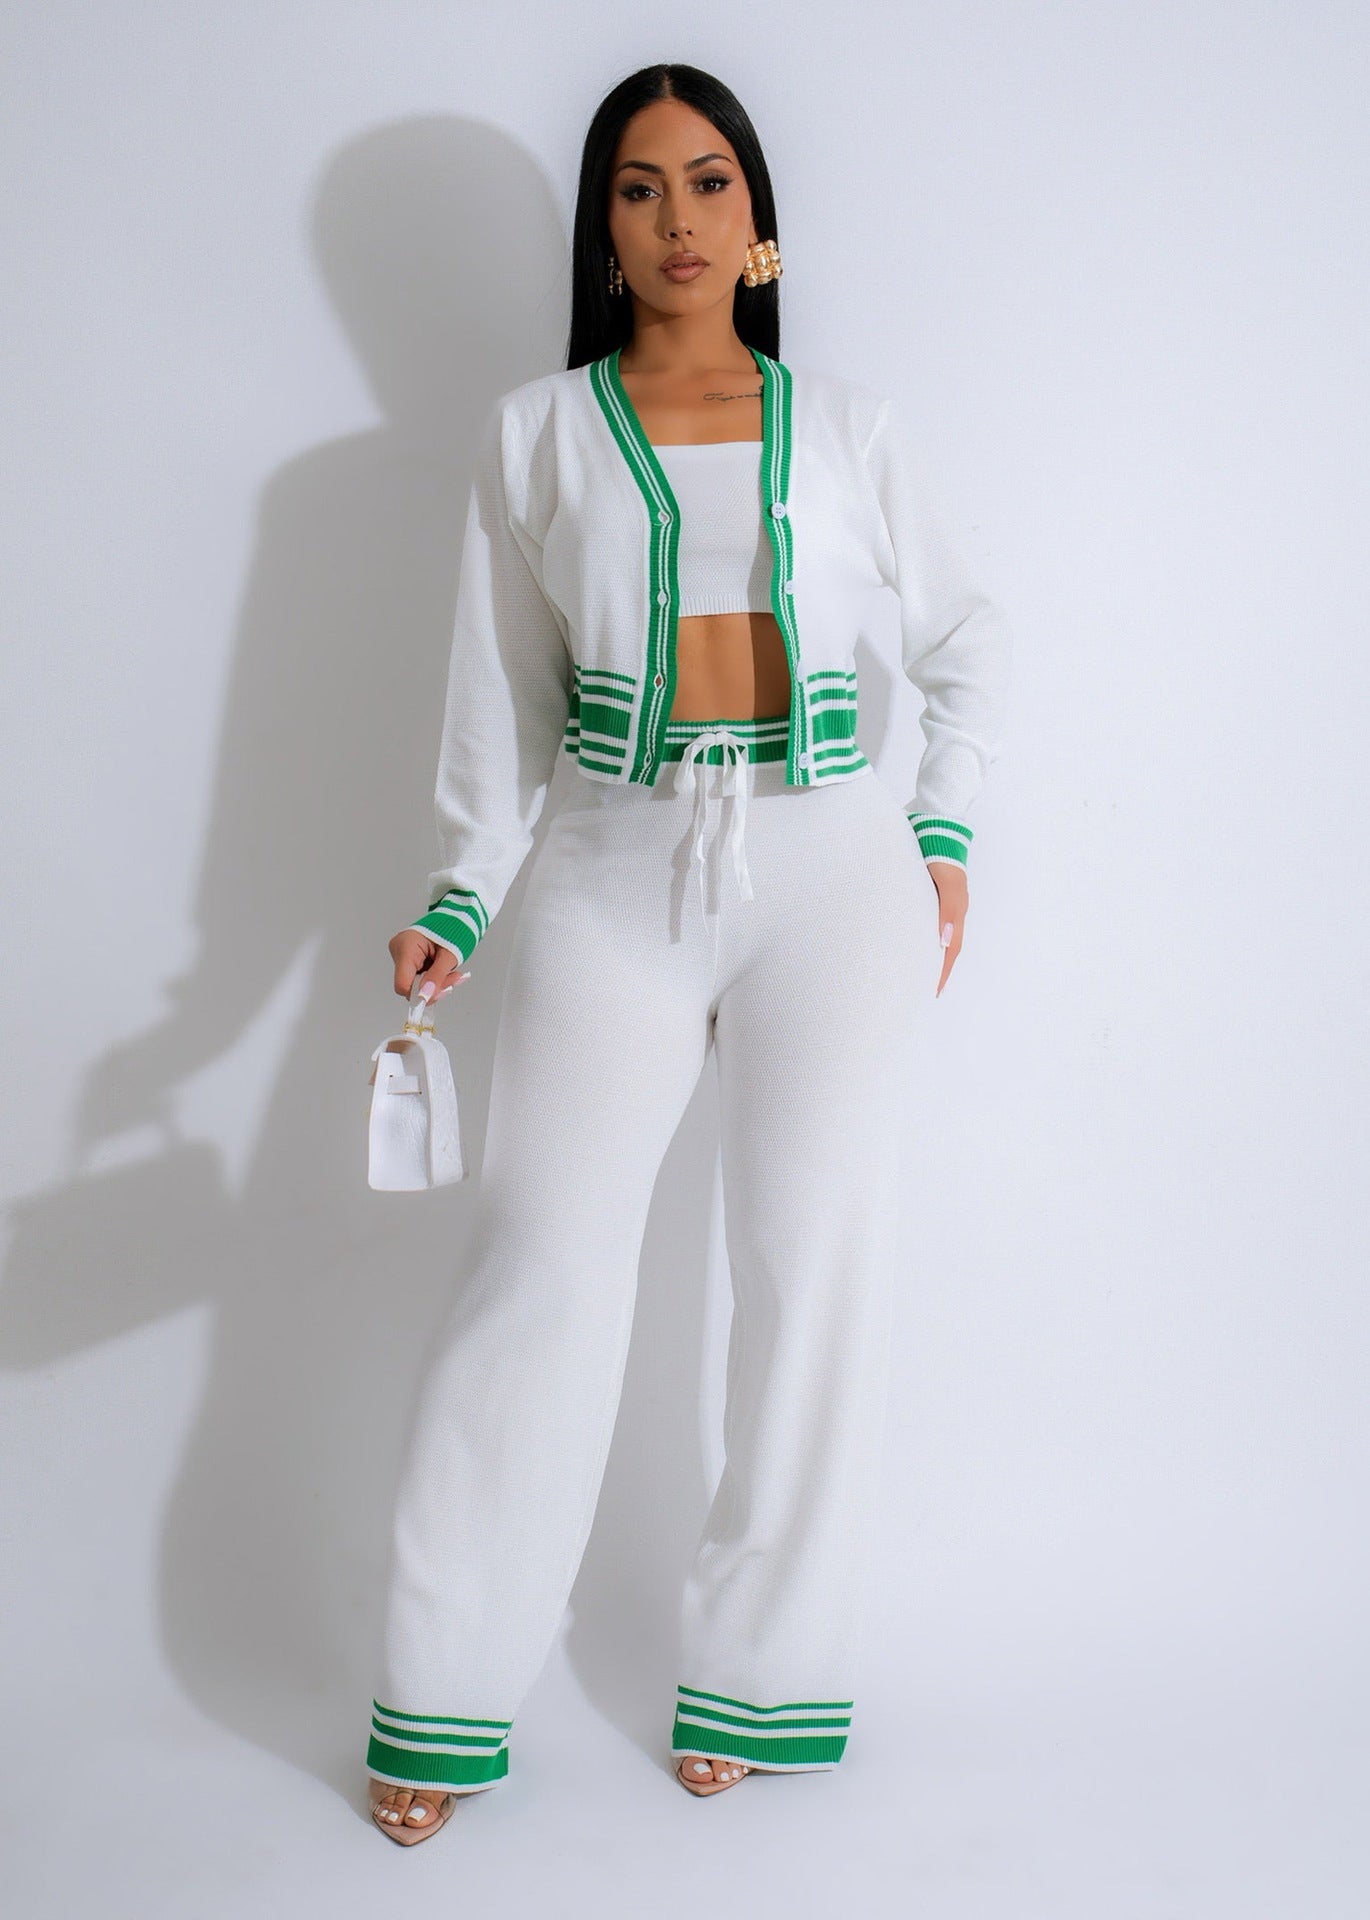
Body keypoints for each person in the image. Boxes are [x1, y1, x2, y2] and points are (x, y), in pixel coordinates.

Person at [366, 61, 1012, 1843]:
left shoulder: (851, 427)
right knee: (540, 1264)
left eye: (709, 180)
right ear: (603, 228)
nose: (676, 219)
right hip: (609, 865)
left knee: (812, 1270)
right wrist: (458, 895)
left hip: (832, 876)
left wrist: (941, 834)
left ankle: (760, 1681)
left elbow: (968, 639)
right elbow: (499, 703)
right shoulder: (533, 434)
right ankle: (439, 1696)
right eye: (638, 187)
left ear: (758, 220)